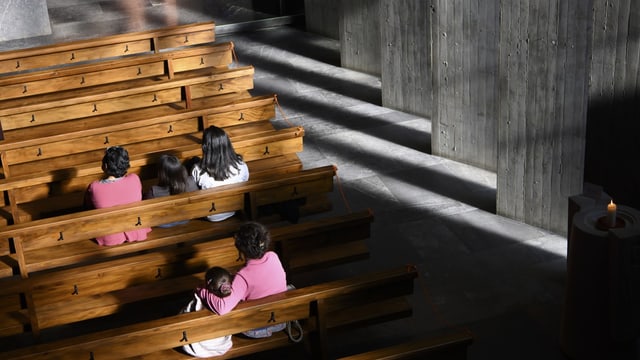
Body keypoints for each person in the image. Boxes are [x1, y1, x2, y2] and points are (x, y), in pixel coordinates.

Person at [197, 222, 288, 338]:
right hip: (281, 319)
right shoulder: (273, 257)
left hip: (257, 328)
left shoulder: (243, 276)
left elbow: (222, 308)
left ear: (240, 248)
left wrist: (202, 290)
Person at [84, 146, 151, 246]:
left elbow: (87, 208)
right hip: (136, 230)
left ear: (105, 166)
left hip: (110, 237)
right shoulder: (134, 179)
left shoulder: (95, 187)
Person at [190, 125, 249, 222]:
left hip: (210, 214)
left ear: (205, 147)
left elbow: (195, 192)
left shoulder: (197, 169)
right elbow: (245, 182)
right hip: (234, 208)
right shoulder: (241, 165)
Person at [180, 266, 234, 358]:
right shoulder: (232, 301)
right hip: (222, 344)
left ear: (208, 282)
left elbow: (183, 319)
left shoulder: (198, 302)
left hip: (200, 347)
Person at [144, 154, 198, 227]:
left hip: (164, 223)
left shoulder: (153, 191)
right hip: (186, 218)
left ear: (161, 174)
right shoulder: (191, 182)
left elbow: (148, 213)